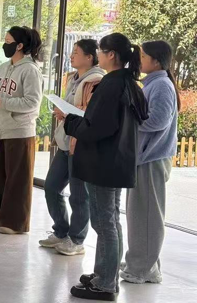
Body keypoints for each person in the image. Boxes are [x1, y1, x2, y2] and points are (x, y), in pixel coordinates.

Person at [64, 33, 148, 302]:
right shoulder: (128, 83)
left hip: (103, 163)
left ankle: (105, 284)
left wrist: (70, 121)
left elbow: (97, 128)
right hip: (116, 162)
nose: (98, 54)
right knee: (110, 220)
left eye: (101, 50)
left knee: (104, 223)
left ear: (111, 55)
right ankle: (105, 274)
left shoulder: (111, 86)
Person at [121, 41, 179, 285]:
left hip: (152, 158)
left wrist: (129, 118)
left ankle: (143, 269)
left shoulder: (162, 86)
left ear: (156, 61)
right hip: (145, 157)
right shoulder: (152, 84)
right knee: (138, 214)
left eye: (143, 56)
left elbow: (158, 120)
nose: (139, 60)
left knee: (147, 216)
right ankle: (141, 262)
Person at [40, 39, 104, 256]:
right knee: (51, 186)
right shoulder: (73, 78)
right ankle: (61, 231)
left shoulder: (96, 81)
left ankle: (77, 239)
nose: (71, 56)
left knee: (79, 195)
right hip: (66, 141)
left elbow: (92, 114)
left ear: (89, 57)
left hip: (81, 144)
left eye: (76, 52)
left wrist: (67, 114)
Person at [0, 26, 43, 235]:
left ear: (20, 45)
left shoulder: (30, 70)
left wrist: (4, 103)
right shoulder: (2, 68)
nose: (4, 45)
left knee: (17, 179)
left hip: (19, 132)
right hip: (0, 130)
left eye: (7, 41)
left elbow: (32, 102)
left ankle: (15, 223)